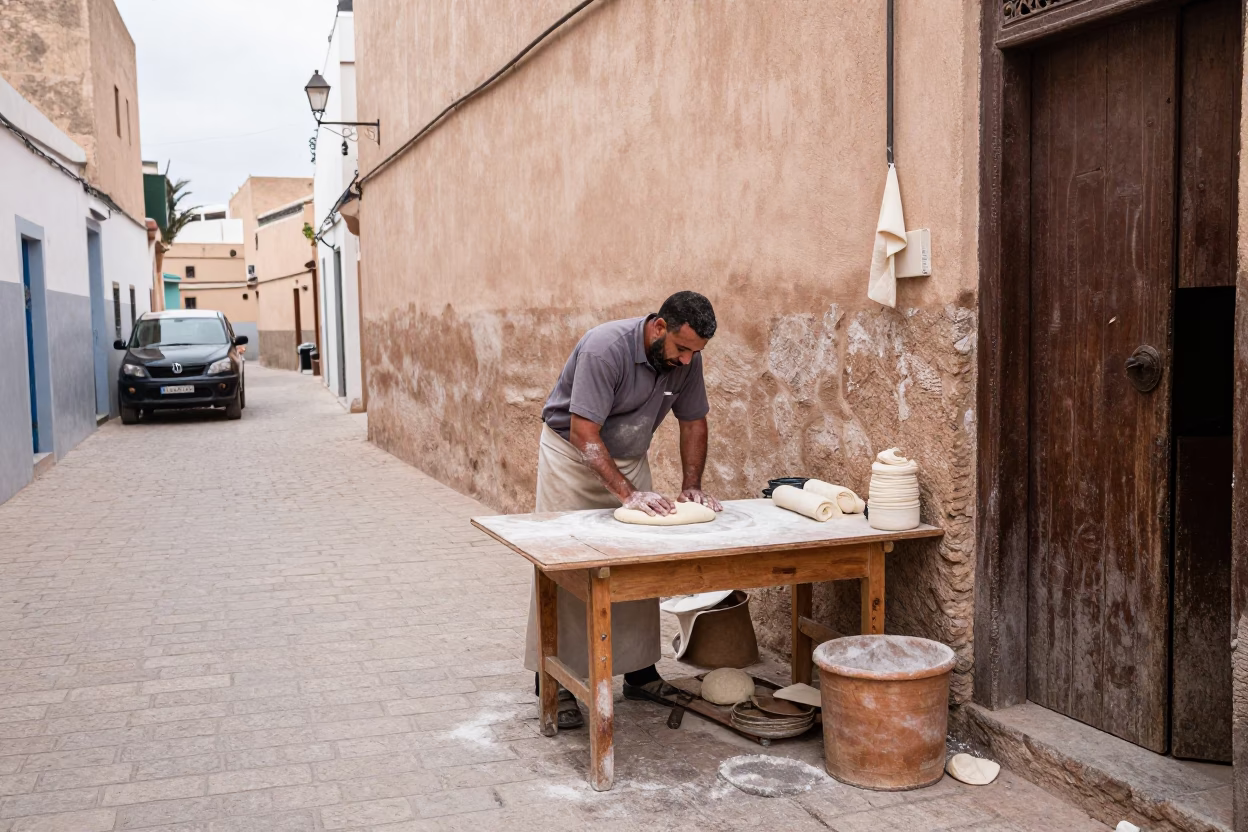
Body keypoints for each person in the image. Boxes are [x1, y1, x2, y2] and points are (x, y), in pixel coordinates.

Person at [523, 291, 723, 728]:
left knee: (636, 566)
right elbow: (583, 432)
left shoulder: (687, 359)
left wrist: (692, 486)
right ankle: (554, 681)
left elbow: (694, 421)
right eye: (681, 349)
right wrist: (628, 494)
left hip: (628, 458)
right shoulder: (604, 348)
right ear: (658, 328)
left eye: (696, 352)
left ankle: (640, 672)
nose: (688, 361)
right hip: (573, 458)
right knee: (569, 569)